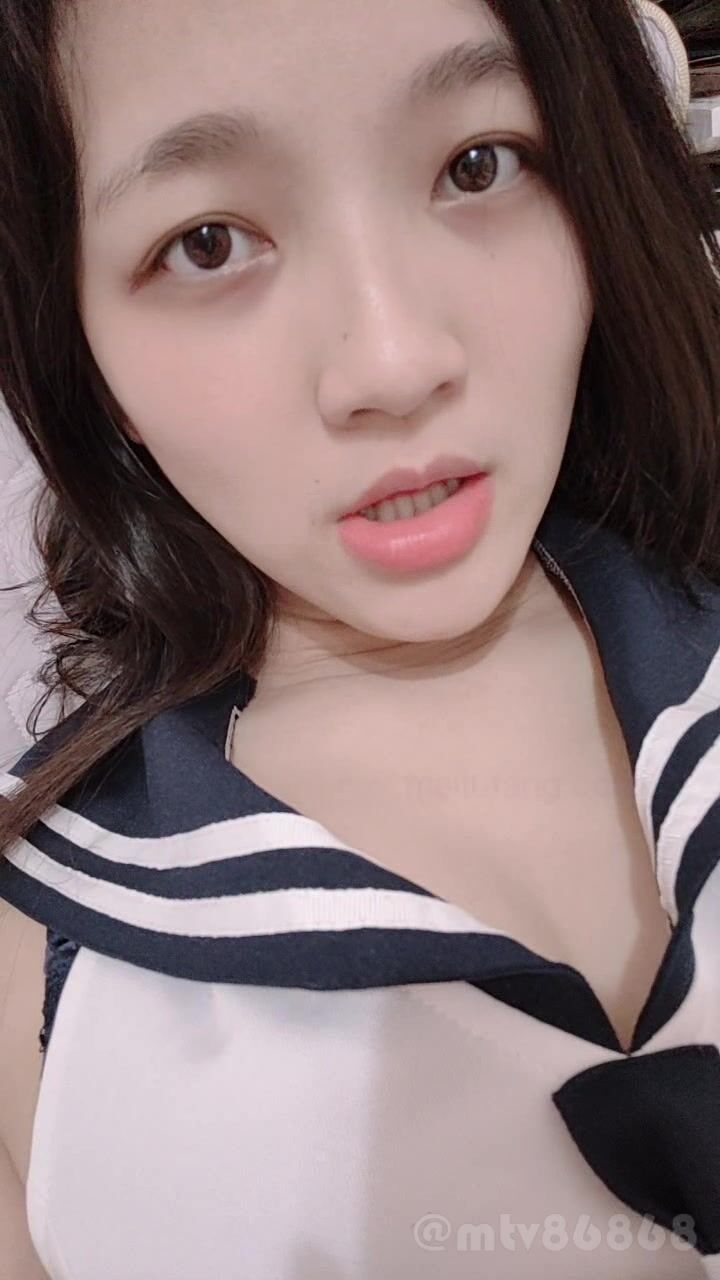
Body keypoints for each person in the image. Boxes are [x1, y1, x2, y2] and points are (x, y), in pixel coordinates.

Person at [0, 0, 719, 1275]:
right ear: (79, 347)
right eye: (208, 243)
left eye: (477, 165)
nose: (392, 362)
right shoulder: (38, 970)